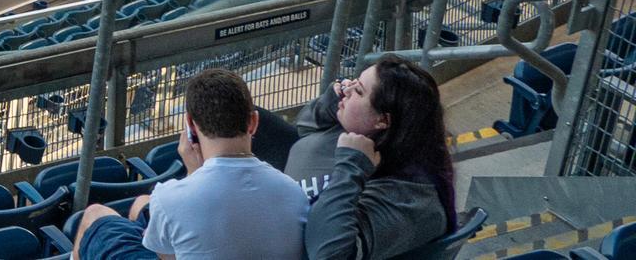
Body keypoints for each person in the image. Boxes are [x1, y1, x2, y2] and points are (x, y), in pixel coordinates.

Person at [72, 68, 308, 260]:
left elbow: (168, 256)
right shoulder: (293, 191)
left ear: (190, 126)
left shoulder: (171, 197)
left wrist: (195, 172)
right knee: (142, 204)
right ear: (254, 122)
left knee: (95, 214)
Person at [289, 57, 459, 260]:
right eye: (352, 82)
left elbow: (328, 254)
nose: (346, 90)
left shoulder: (410, 201)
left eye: (358, 91)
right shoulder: (366, 133)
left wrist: (350, 168)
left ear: (382, 120)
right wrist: (329, 106)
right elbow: (304, 129)